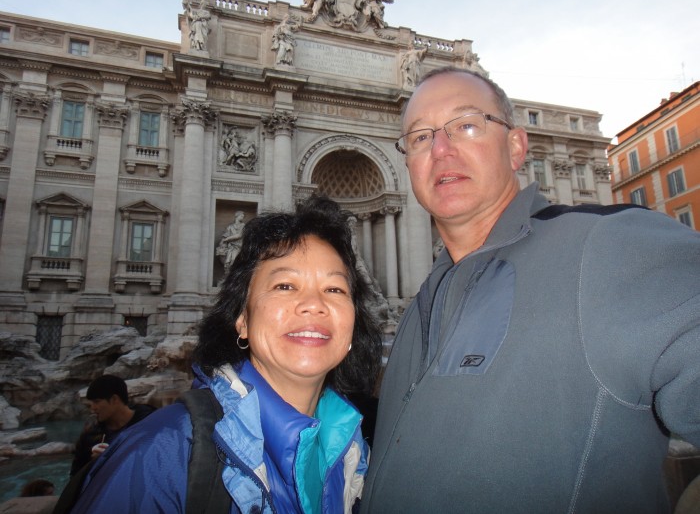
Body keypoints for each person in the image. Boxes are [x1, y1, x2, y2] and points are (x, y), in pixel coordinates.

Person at [361, 67, 700, 513]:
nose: (441, 150)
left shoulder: (609, 246)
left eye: (465, 125)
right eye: (421, 137)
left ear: (517, 146)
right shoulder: (422, 301)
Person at [68, 196, 383, 513]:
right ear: (242, 320)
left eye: (335, 289)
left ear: (353, 324)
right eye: (285, 285)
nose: (314, 303)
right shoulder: (161, 452)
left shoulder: (356, 450)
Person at [69, 375, 155, 476]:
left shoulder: (150, 421)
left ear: (114, 399)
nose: (92, 408)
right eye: (91, 403)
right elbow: (75, 477)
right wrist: (94, 463)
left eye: (97, 401)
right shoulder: (90, 436)